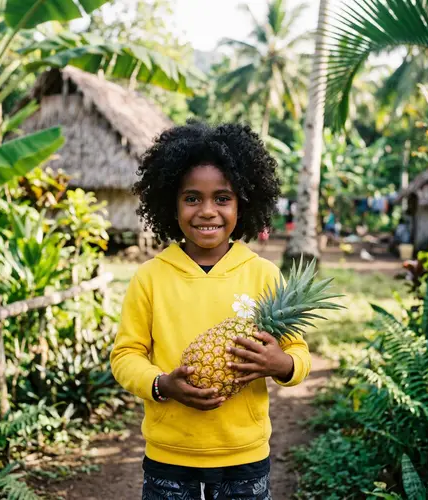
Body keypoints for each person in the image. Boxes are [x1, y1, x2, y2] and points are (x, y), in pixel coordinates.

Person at [110, 121, 311, 500]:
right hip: (169, 455)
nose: (207, 211)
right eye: (191, 198)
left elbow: (298, 352)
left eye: (222, 198)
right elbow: (126, 354)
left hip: (245, 455)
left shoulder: (264, 274)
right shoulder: (150, 277)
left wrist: (281, 364)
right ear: (170, 202)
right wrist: (161, 385)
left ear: (244, 203)